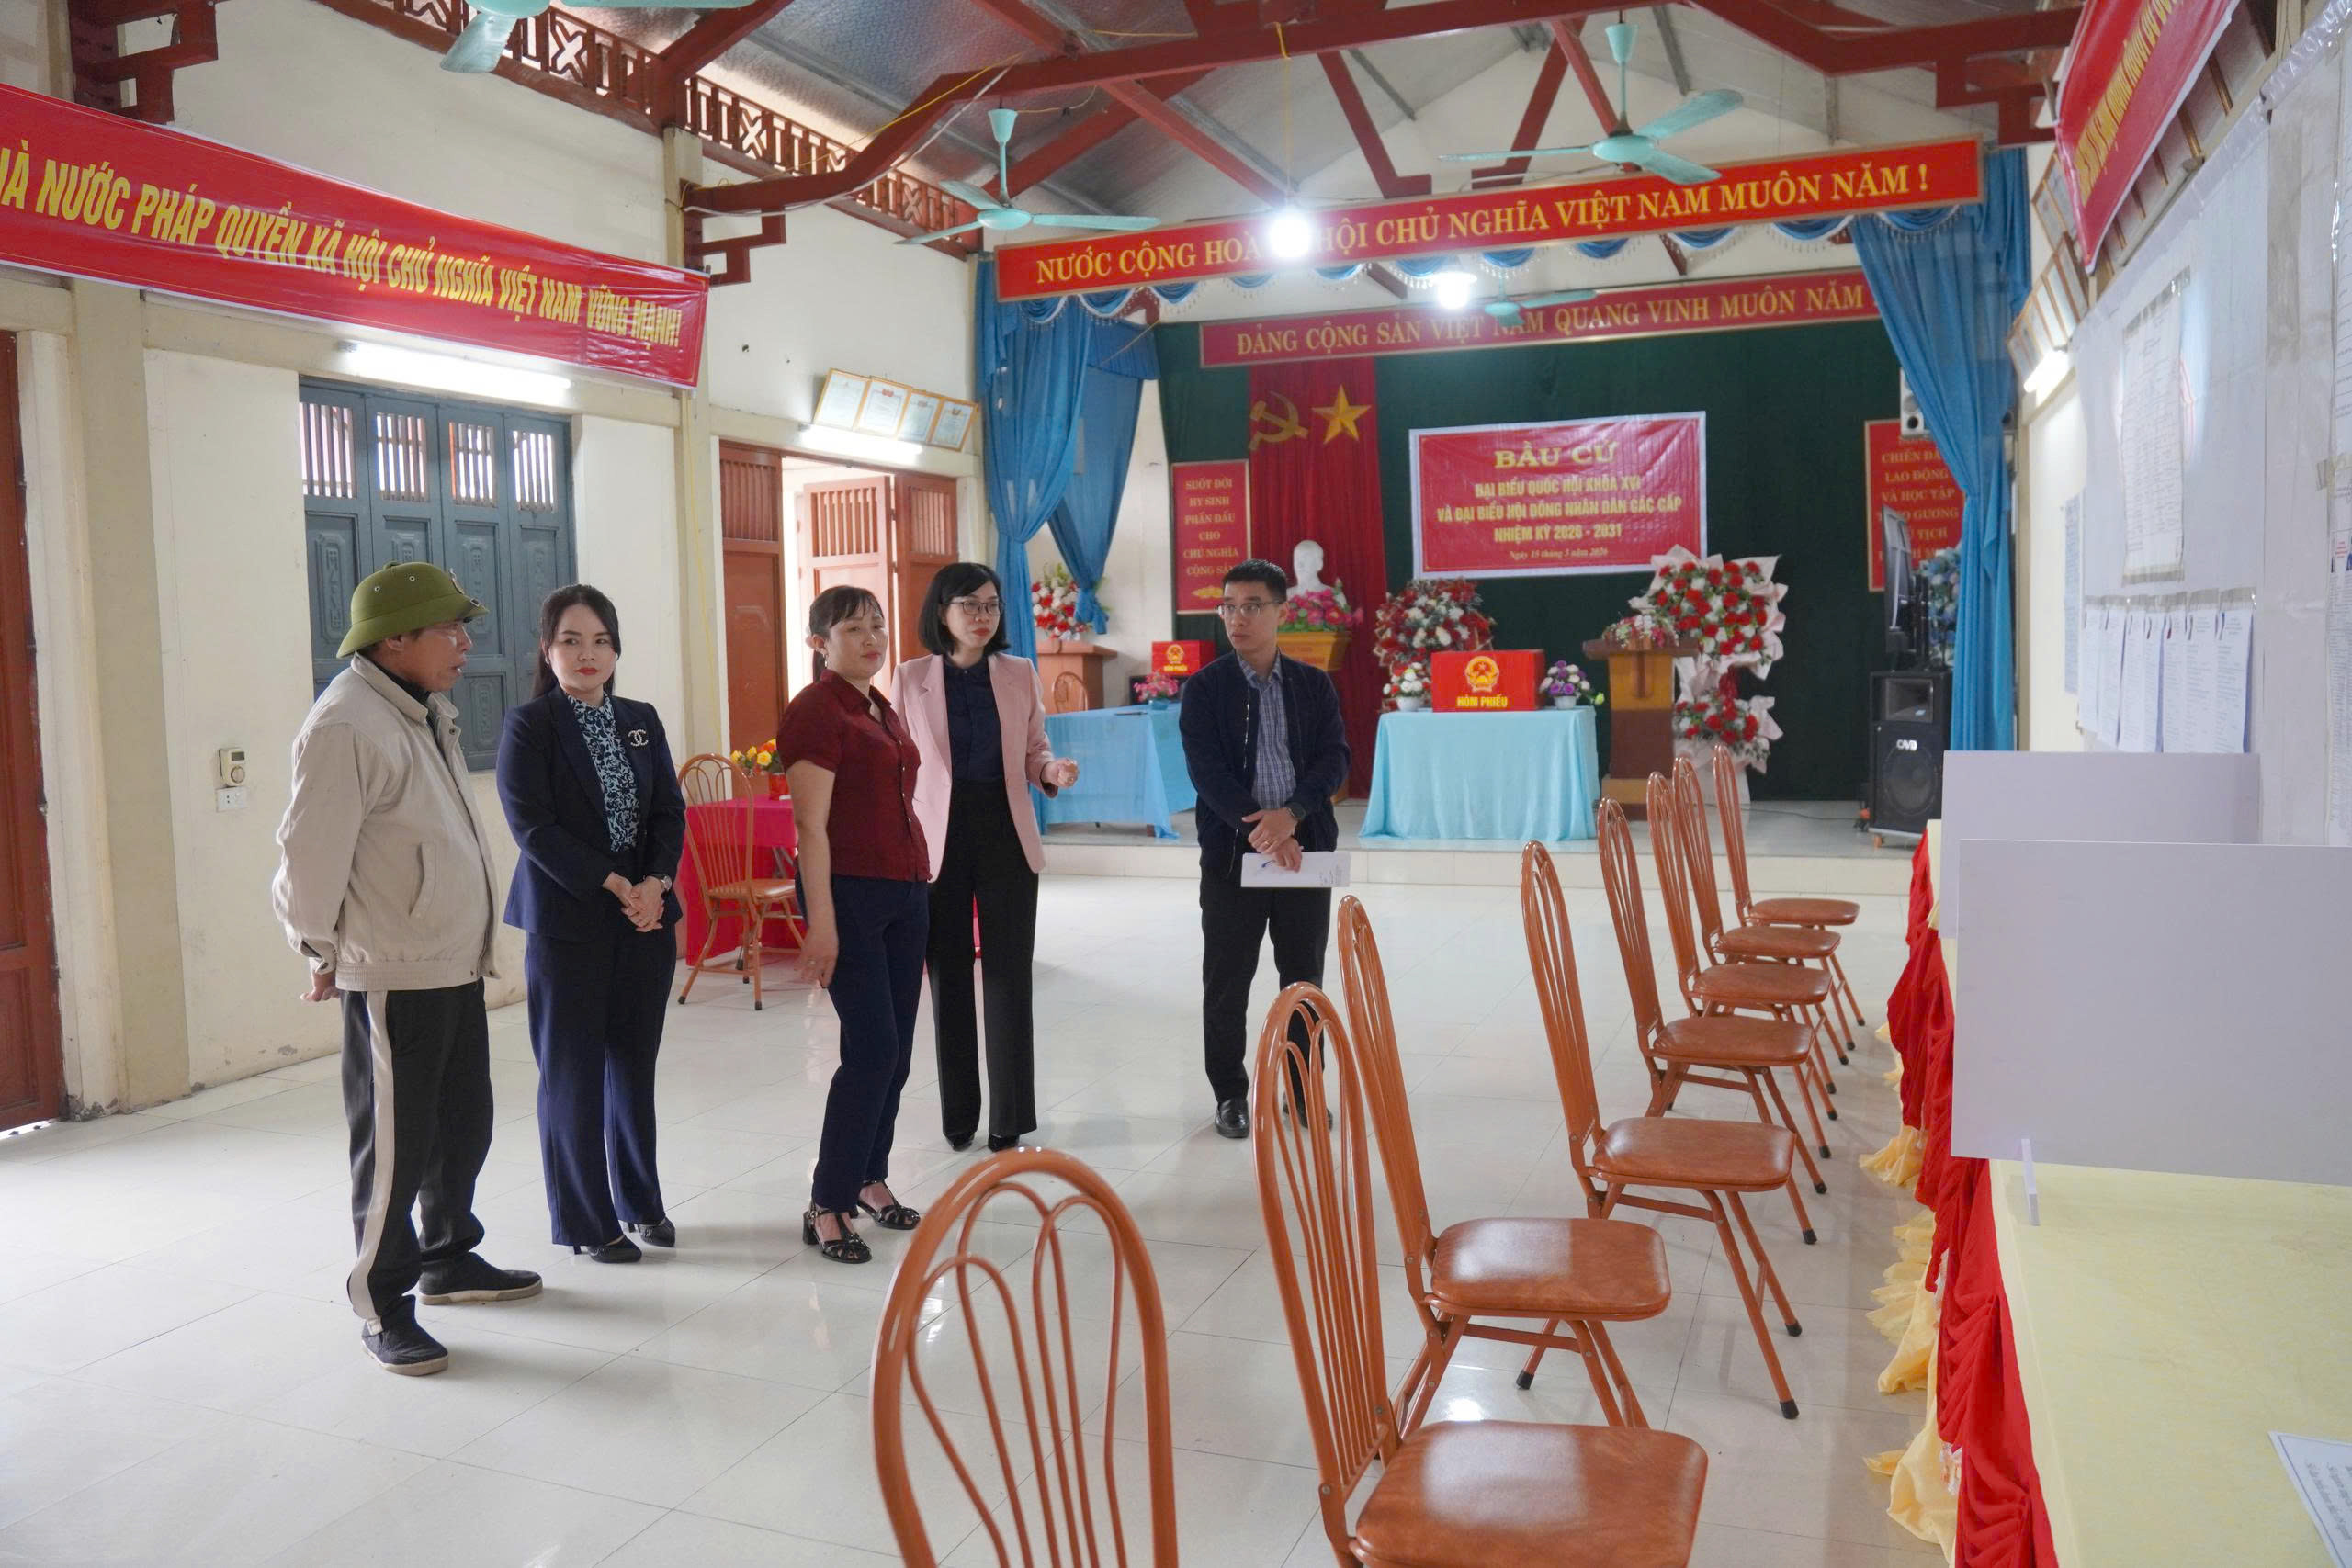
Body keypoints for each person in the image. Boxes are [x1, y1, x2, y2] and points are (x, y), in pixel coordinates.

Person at [273, 561, 542, 1378]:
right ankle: (382, 1304)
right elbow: (307, 860)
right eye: (448, 629)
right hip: (393, 972)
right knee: (394, 1149)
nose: (464, 644)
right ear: (394, 640)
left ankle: (448, 1256)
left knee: (461, 1126)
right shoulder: (346, 724)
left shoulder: (419, 709)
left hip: (448, 961)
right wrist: (319, 950)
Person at [495, 585, 688, 1266]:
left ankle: (640, 1201)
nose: (587, 654)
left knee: (633, 1066)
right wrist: (614, 883)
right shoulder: (530, 726)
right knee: (573, 1073)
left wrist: (655, 883)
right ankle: (587, 1218)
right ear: (547, 650)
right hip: (568, 922)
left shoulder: (640, 719)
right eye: (571, 640)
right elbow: (533, 827)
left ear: (616, 650)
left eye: (601, 640)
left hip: (646, 920)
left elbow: (669, 810)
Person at [896, 564, 1080, 1154]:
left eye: (992, 606)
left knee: (1007, 976)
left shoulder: (1018, 672)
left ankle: (1009, 1116)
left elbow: (1034, 749)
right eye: (969, 605)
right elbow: (899, 762)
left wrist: (1050, 770)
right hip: (938, 840)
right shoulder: (910, 677)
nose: (982, 616)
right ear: (942, 611)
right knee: (947, 975)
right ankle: (958, 1114)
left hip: (1005, 833)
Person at [777, 586, 930, 1263]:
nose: (871, 639)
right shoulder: (815, 711)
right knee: (870, 1050)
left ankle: (870, 1175)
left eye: (877, 626)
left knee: (896, 1052)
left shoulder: (878, 705)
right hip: (852, 896)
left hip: (906, 888)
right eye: (852, 629)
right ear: (819, 643)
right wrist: (823, 923)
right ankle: (827, 1200)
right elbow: (810, 827)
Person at [1178, 558, 1351, 1139]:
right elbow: (1207, 771)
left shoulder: (1312, 685)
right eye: (1228, 607)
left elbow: (1334, 758)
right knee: (1227, 981)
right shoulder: (1205, 689)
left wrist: (1292, 816)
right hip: (1233, 858)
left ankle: (1302, 1089)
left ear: (1281, 611)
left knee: (1303, 980)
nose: (1238, 618)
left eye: (1252, 606)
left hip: (1305, 853)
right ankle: (1231, 1094)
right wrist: (1261, 830)